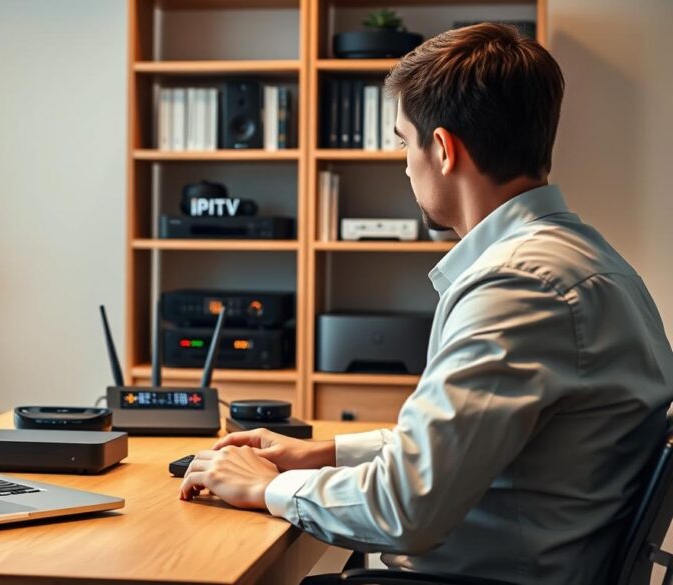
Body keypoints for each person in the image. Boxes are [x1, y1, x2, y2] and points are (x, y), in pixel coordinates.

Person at [178, 22, 673, 585]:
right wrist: (320, 453)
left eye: (402, 141)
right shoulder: (591, 264)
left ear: (441, 149)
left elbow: (405, 508)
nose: (403, 163)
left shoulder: (516, 287)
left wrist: (265, 485)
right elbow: (464, 448)